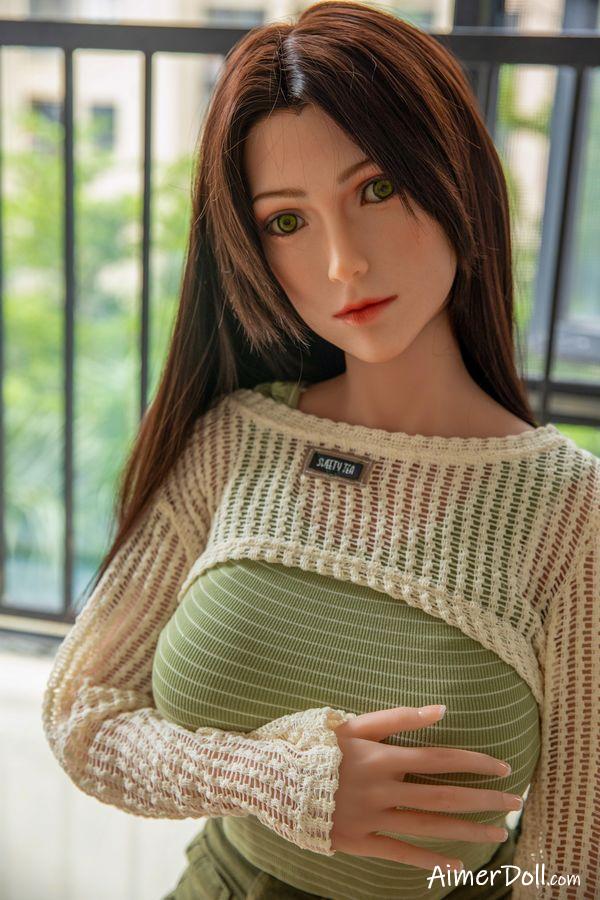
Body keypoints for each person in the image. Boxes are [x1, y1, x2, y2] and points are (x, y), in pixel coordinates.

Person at [42, 2, 599, 898]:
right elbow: (82, 712)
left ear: (455, 178)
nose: (343, 262)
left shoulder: (571, 513)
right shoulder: (233, 439)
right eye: (286, 222)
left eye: (375, 190)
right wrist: (278, 780)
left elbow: (574, 863)